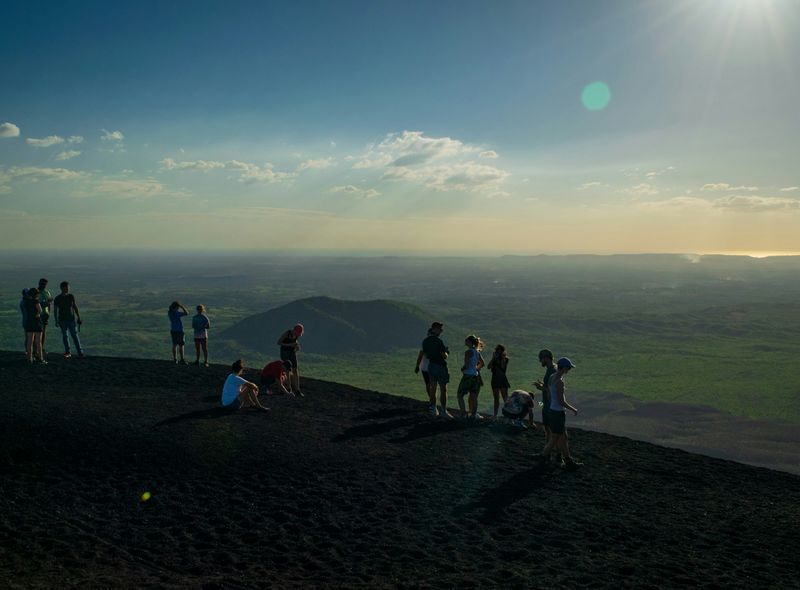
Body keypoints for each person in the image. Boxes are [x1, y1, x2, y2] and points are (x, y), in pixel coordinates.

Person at [539, 357, 582, 471]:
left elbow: (549, 394)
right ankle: (543, 457)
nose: (569, 370)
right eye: (568, 368)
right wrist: (573, 409)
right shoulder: (560, 382)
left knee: (563, 437)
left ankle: (568, 460)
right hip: (558, 413)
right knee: (555, 438)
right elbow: (561, 401)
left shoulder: (552, 377)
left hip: (553, 411)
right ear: (564, 368)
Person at [422, 322, 452, 418]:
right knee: (443, 389)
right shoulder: (439, 342)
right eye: (439, 329)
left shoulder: (425, 341)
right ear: (435, 329)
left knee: (433, 388)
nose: (441, 331)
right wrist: (446, 352)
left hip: (431, 365)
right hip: (440, 366)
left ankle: (433, 409)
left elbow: (426, 355)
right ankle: (443, 410)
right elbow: (444, 356)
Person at [533, 349, 557, 453]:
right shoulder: (552, 369)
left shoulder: (552, 370)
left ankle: (548, 451)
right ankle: (547, 450)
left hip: (549, 404)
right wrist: (543, 384)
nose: (540, 362)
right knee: (548, 428)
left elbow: (553, 390)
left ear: (546, 358)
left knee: (549, 429)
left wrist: (541, 388)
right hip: (547, 403)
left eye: (541, 359)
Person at [457, 335, 485, 418]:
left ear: (470, 342)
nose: (465, 342)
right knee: (474, 396)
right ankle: (473, 414)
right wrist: (476, 369)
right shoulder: (477, 352)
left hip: (468, 376)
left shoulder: (468, 352)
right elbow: (482, 363)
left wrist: (463, 369)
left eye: (467, 341)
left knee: (460, 395)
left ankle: (463, 413)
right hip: (475, 377)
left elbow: (467, 365)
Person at [53, 281, 84, 359]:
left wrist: (78, 316)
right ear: (61, 288)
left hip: (71, 319)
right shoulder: (57, 298)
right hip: (62, 320)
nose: (67, 289)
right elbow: (55, 310)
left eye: (68, 288)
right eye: (66, 288)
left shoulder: (71, 296)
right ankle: (68, 352)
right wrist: (56, 320)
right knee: (65, 336)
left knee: (74, 336)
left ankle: (80, 352)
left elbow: (74, 306)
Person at [277, 324, 304, 396]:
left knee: (295, 370)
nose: (297, 335)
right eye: (297, 333)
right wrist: (290, 345)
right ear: (294, 330)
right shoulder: (287, 333)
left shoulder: (296, 335)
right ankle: (289, 388)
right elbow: (279, 342)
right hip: (284, 353)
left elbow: (295, 342)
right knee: (287, 370)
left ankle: (297, 390)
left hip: (292, 353)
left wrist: (297, 346)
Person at [414, 329, 435, 415]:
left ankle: (432, 400)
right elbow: (421, 355)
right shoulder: (427, 344)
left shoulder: (428, 344)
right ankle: (432, 399)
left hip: (427, 367)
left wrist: (417, 366)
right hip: (427, 368)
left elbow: (420, 355)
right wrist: (417, 366)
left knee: (429, 384)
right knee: (429, 384)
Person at [488, 344, 511, 419]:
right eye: (496, 350)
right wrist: (493, 358)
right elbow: (489, 367)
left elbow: (503, 366)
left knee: (505, 398)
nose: (497, 351)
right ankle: (495, 415)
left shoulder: (506, 359)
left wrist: (502, 358)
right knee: (496, 398)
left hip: (502, 379)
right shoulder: (494, 359)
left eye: (499, 350)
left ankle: (509, 415)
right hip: (495, 379)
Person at [23, 287, 45, 364]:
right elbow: (40, 310)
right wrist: (38, 314)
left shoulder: (26, 302)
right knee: (38, 341)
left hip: (29, 322)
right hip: (36, 322)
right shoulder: (36, 301)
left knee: (29, 341)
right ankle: (40, 358)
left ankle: (29, 358)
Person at [37, 278, 53, 357]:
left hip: (45, 314)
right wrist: (45, 304)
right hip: (38, 314)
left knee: (43, 333)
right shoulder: (36, 292)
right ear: (39, 283)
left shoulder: (47, 292)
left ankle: (41, 348)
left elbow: (49, 304)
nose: (43, 285)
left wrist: (49, 313)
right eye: (42, 283)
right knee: (37, 333)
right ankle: (36, 349)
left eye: (44, 284)